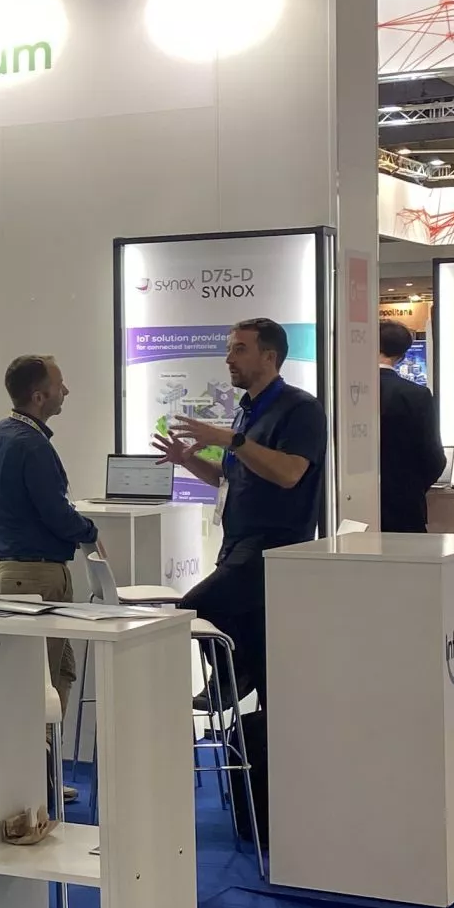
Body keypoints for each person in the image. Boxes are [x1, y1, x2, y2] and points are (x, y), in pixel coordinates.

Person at [154, 318, 327, 848]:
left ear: (270, 356)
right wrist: (192, 461)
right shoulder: (248, 410)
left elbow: (290, 473)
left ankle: (236, 674)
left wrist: (231, 440)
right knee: (258, 655)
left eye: (240, 349)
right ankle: (244, 674)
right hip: (238, 545)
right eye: (229, 349)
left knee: (195, 607)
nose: (229, 358)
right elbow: (234, 477)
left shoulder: (299, 409)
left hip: (274, 551)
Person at [0, 355, 97, 711]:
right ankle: (42, 746)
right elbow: (55, 512)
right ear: (38, 397)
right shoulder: (32, 445)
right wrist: (88, 530)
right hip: (38, 576)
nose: (66, 391)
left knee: (53, 671)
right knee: (42, 684)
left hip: (10, 570)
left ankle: (43, 745)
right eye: (59, 385)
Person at [376, 319, 446, 533]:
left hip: (349, 508)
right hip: (404, 507)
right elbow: (434, 457)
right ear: (403, 355)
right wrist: (411, 487)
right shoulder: (417, 395)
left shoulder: (344, 391)